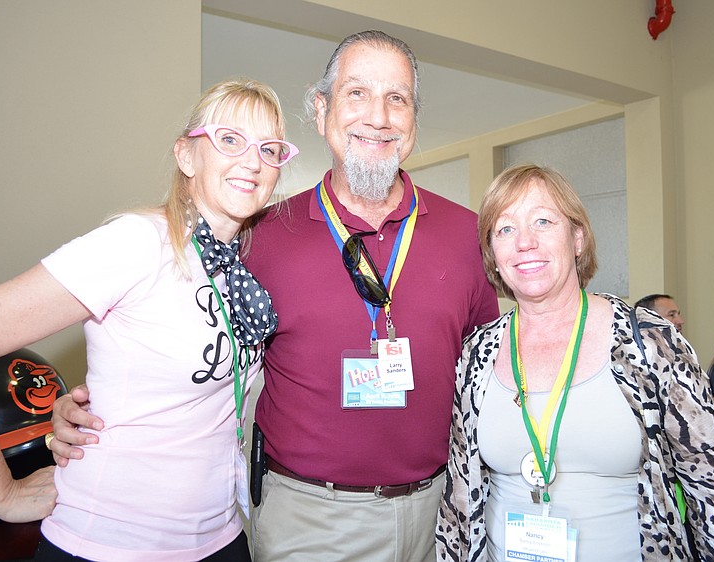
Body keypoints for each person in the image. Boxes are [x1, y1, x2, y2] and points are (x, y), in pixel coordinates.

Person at [49, 30, 499, 562]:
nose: (378, 116)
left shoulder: (469, 235)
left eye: (396, 98)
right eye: (357, 93)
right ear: (321, 108)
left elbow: (488, 375)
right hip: (307, 521)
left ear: (414, 119)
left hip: (436, 514)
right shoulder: (258, 235)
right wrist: (89, 402)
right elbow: (181, 342)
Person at [0, 78, 298, 561]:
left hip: (219, 538)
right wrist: (2, 495)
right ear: (187, 155)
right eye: (229, 139)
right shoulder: (137, 243)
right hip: (110, 543)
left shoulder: (245, 268)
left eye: (270, 149)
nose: (252, 161)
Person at [436, 164, 714, 561]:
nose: (524, 242)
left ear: (577, 237)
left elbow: (707, 481)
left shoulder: (649, 340)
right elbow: (459, 499)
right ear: (493, 254)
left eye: (543, 221)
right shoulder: (476, 354)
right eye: (505, 229)